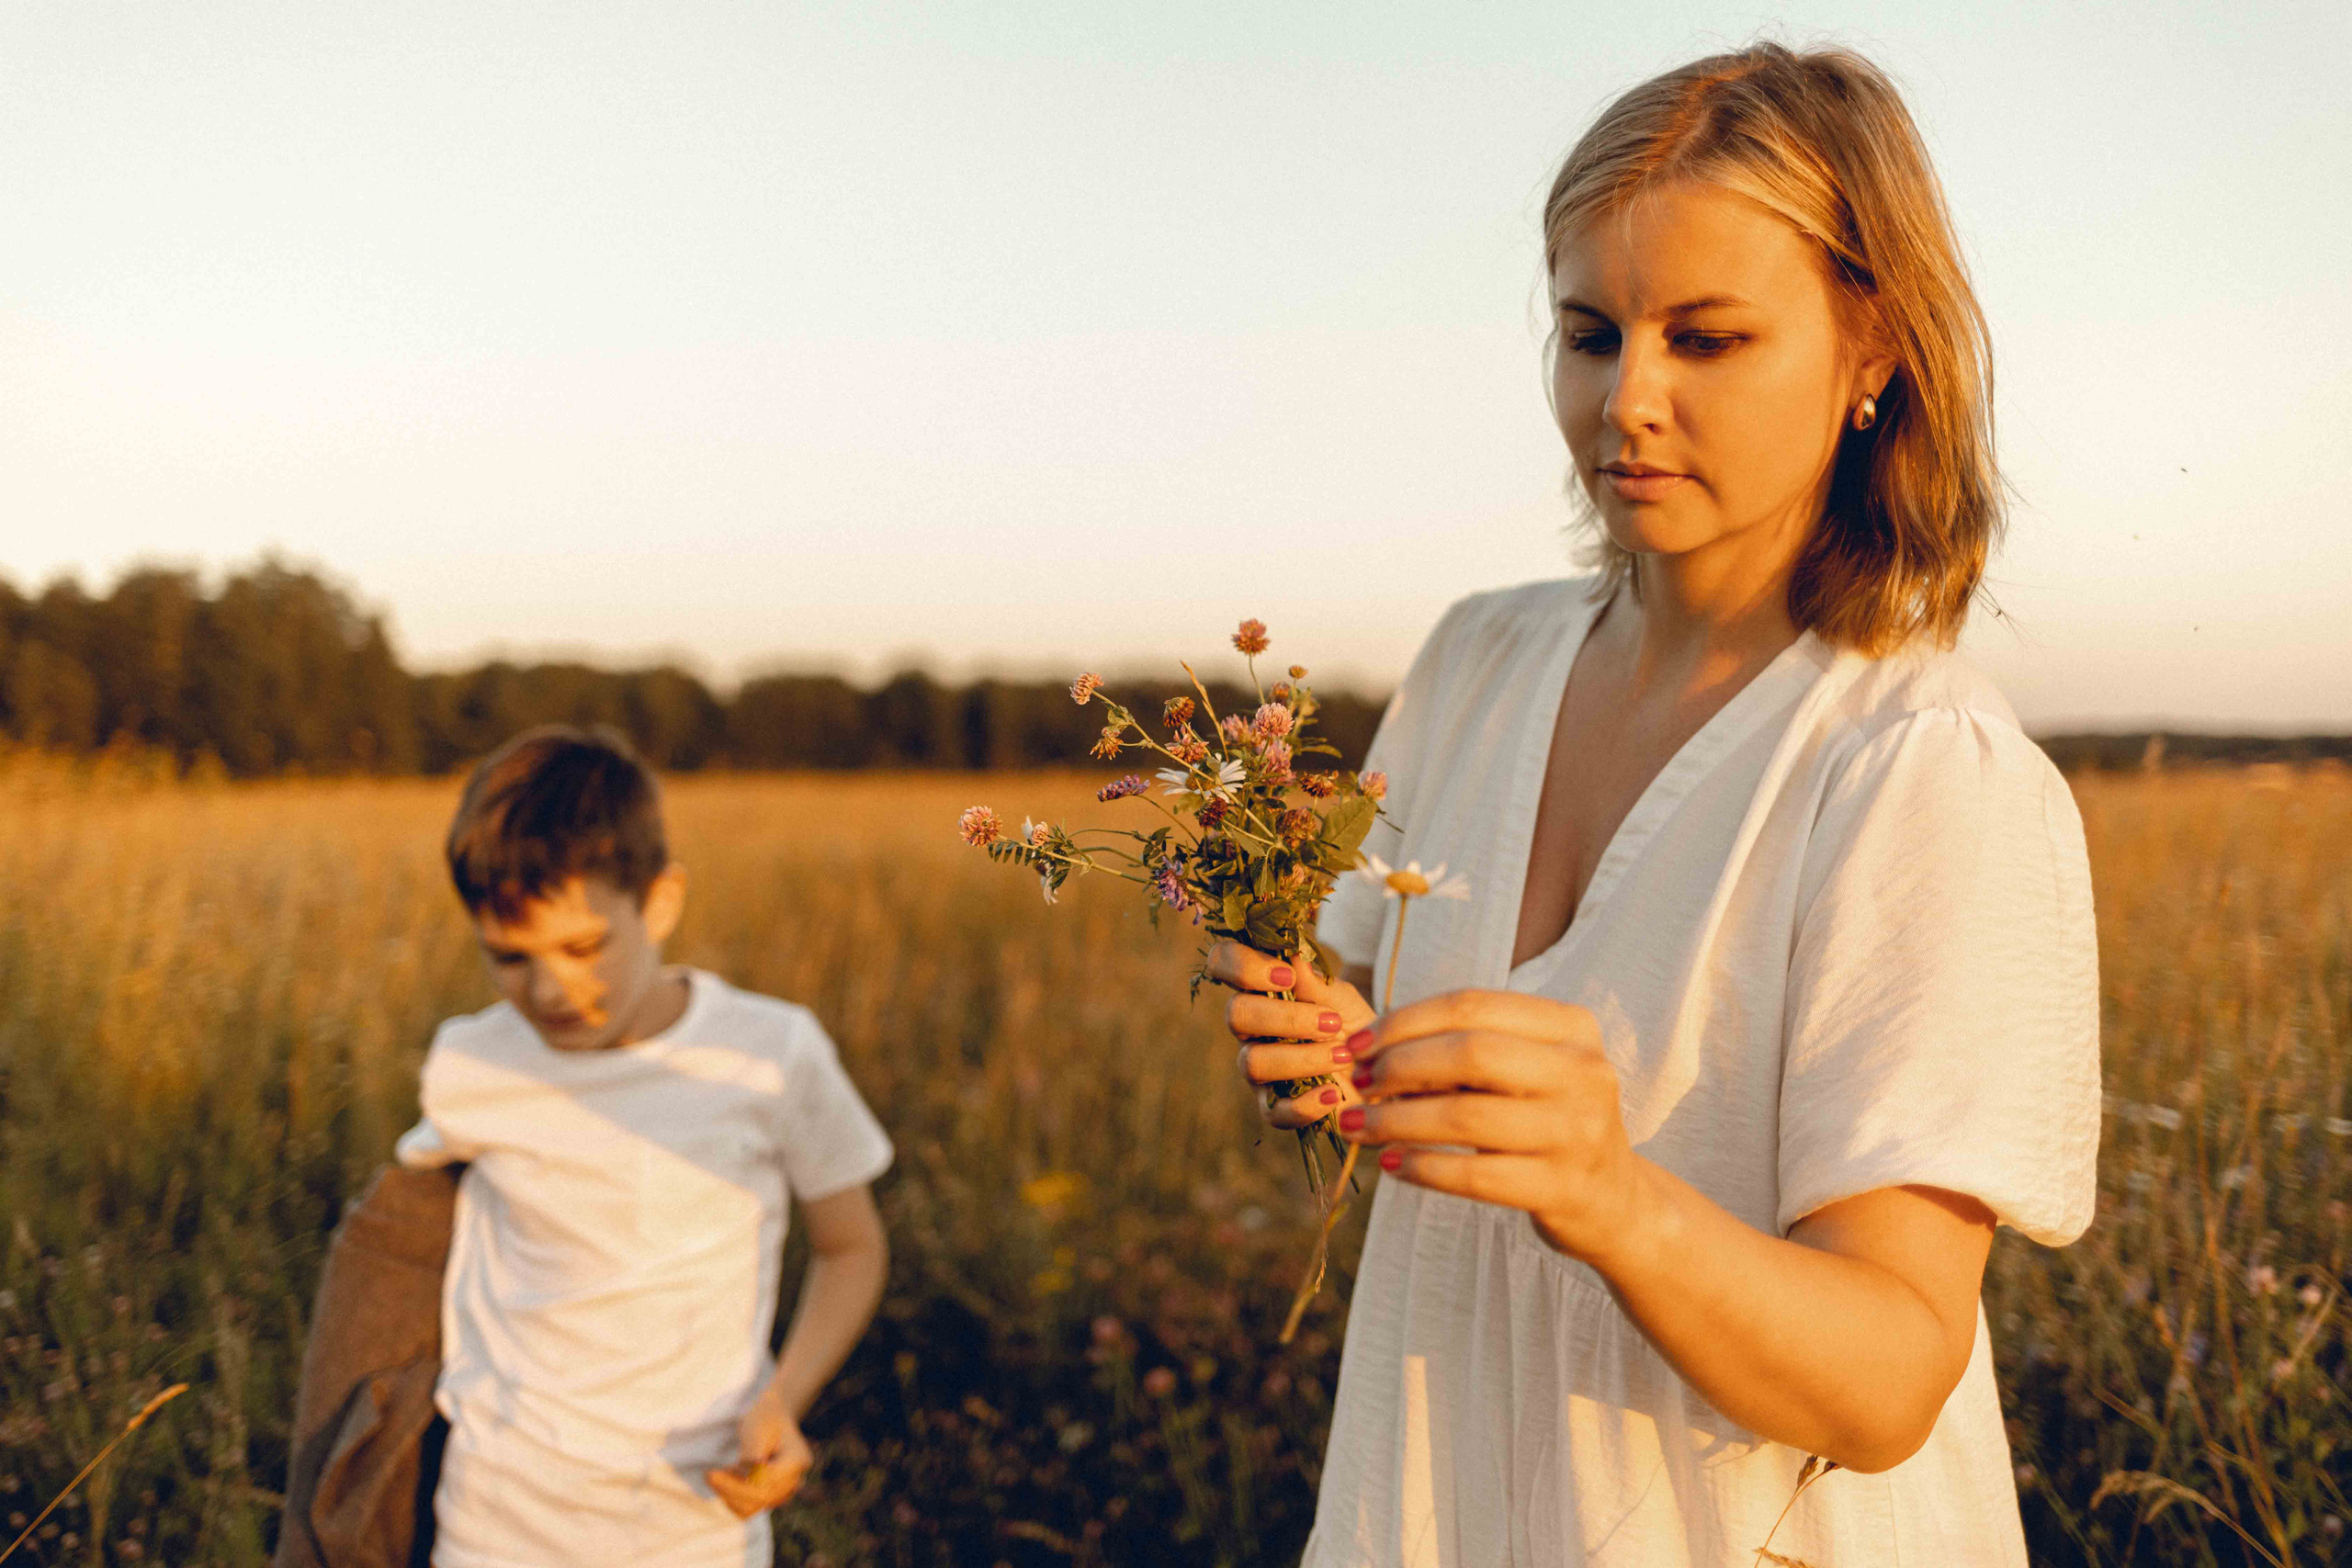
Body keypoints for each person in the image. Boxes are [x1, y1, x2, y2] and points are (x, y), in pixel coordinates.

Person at [1215, 42, 2098, 1566]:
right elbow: (1372, 1021)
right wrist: (1323, 1038)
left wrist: (1612, 1195)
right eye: (1589, 331)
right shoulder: (1478, 659)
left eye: (1708, 338)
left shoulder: (1920, 773)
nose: (1628, 400)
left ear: (1872, 344)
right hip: (1444, 1500)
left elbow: (1887, 1379)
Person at [394, 725, 892, 1566]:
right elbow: (394, 1241)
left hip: (691, 1525)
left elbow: (853, 1246)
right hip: (495, 1523)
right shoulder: (469, 1063)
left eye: (585, 946)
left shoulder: (768, 1054)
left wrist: (784, 1399)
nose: (551, 988)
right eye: (509, 958)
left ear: (660, 901)